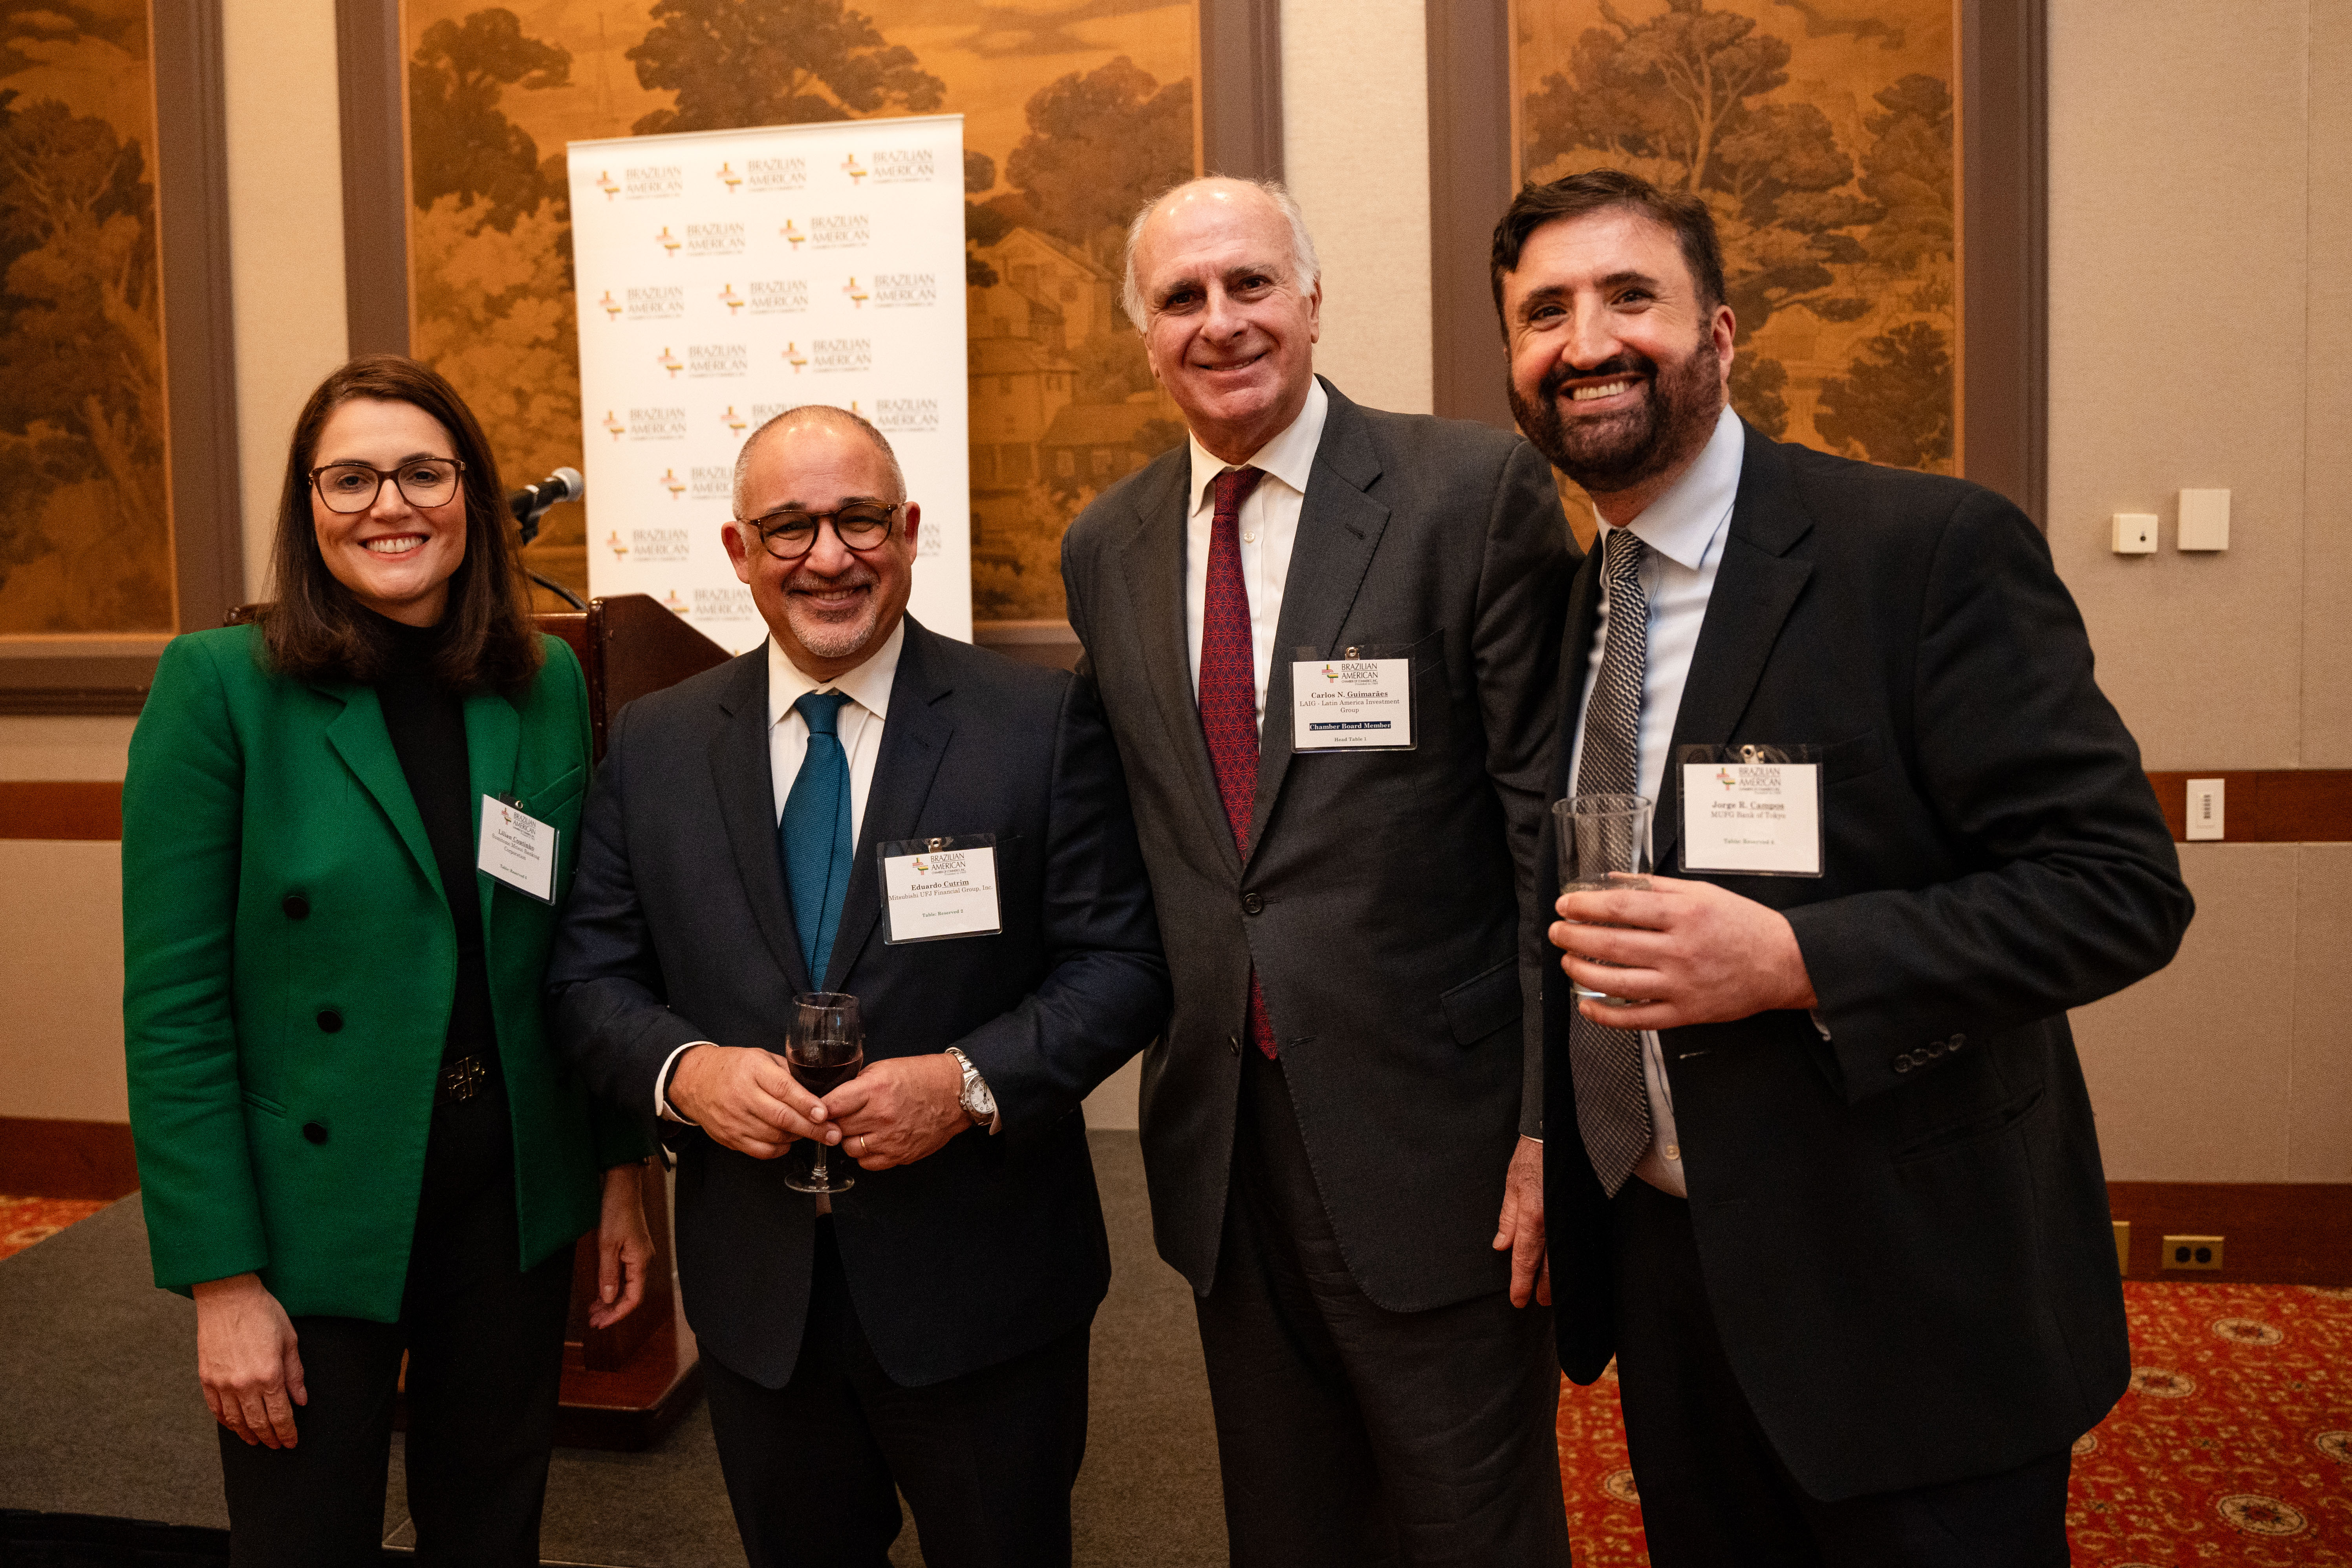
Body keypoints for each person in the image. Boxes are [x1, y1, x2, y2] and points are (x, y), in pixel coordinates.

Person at [1495, 168, 2195, 1564]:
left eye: (1631, 296)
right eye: (1544, 312)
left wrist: (1797, 960)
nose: (1586, 342)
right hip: (1676, 1285)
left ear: (1721, 333)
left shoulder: (1923, 550)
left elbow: (2118, 887)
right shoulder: (1573, 609)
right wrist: (1544, 1135)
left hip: (1910, 1294)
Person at [546, 404, 1168, 1567]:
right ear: (739, 552)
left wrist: (967, 1084)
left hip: (983, 1289)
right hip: (759, 1300)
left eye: (859, 520)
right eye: (789, 527)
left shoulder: (1036, 722)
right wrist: (687, 1074)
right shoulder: (656, 744)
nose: (828, 557)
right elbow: (590, 979)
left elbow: (1123, 964)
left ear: (910, 530)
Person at [1059, 176, 1577, 1566]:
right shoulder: (1106, 547)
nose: (1220, 321)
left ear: (1311, 299)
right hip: (1227, 1150)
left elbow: (1551, 837)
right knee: (1287, 1526)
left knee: (1472, 1530)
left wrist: (1551, 1124)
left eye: (1251, 284)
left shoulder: (1468, 494)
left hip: (1443, 1145)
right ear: (1145, 334)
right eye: (1181, 297)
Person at [121, 353, 656, 1563]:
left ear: (470, 492)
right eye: (350, 478)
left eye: (423, 472)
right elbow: (174, 1010)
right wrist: (222, 1283)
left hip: (506, 1198)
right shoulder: (220, 687)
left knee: (493, 1530)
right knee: (305, 1538)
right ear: (308, 504)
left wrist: (619, 1170)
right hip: (311, 1216)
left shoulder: (542, 681)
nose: (389, 505)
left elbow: (584, 947)